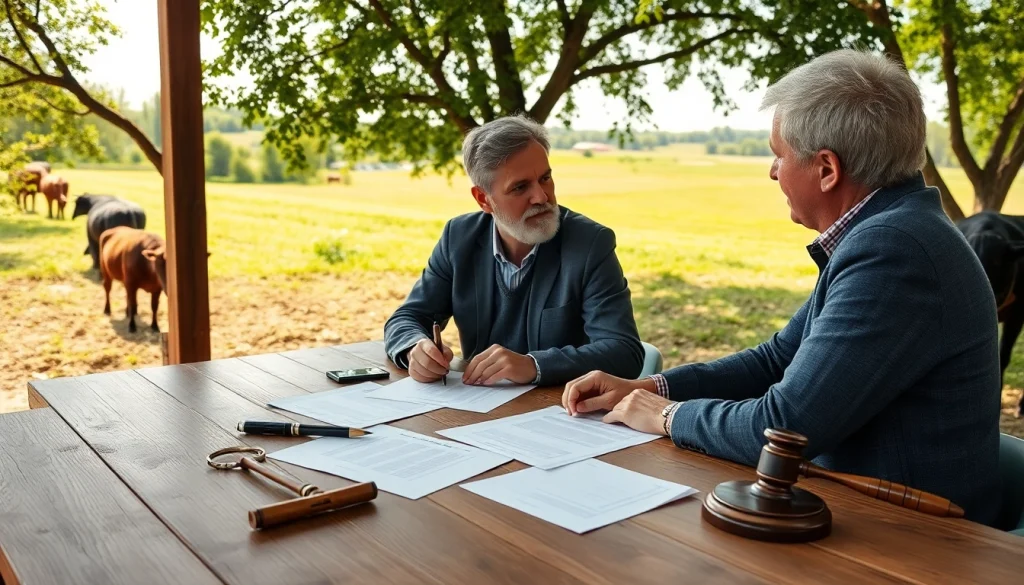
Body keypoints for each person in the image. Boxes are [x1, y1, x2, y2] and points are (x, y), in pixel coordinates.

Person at [561, 49, 1002, 525]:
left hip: (912, 544)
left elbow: (783, 426)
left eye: (779, 155)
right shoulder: (893, 229)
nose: (772, 172)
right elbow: (777, 358)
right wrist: (646, 386)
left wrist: (666, 415)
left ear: (827, 169)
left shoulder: (895, 250)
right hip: (862, 517)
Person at [385, 115, 644, 386]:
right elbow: (407, 317)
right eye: (520, 187)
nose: (542, 197)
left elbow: (624, 351)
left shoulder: (590, 244)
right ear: (484, 199)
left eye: (545, 178)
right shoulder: (458, 238)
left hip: (559, 414)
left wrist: (534, 365)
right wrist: (415, 349)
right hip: (473, 411)